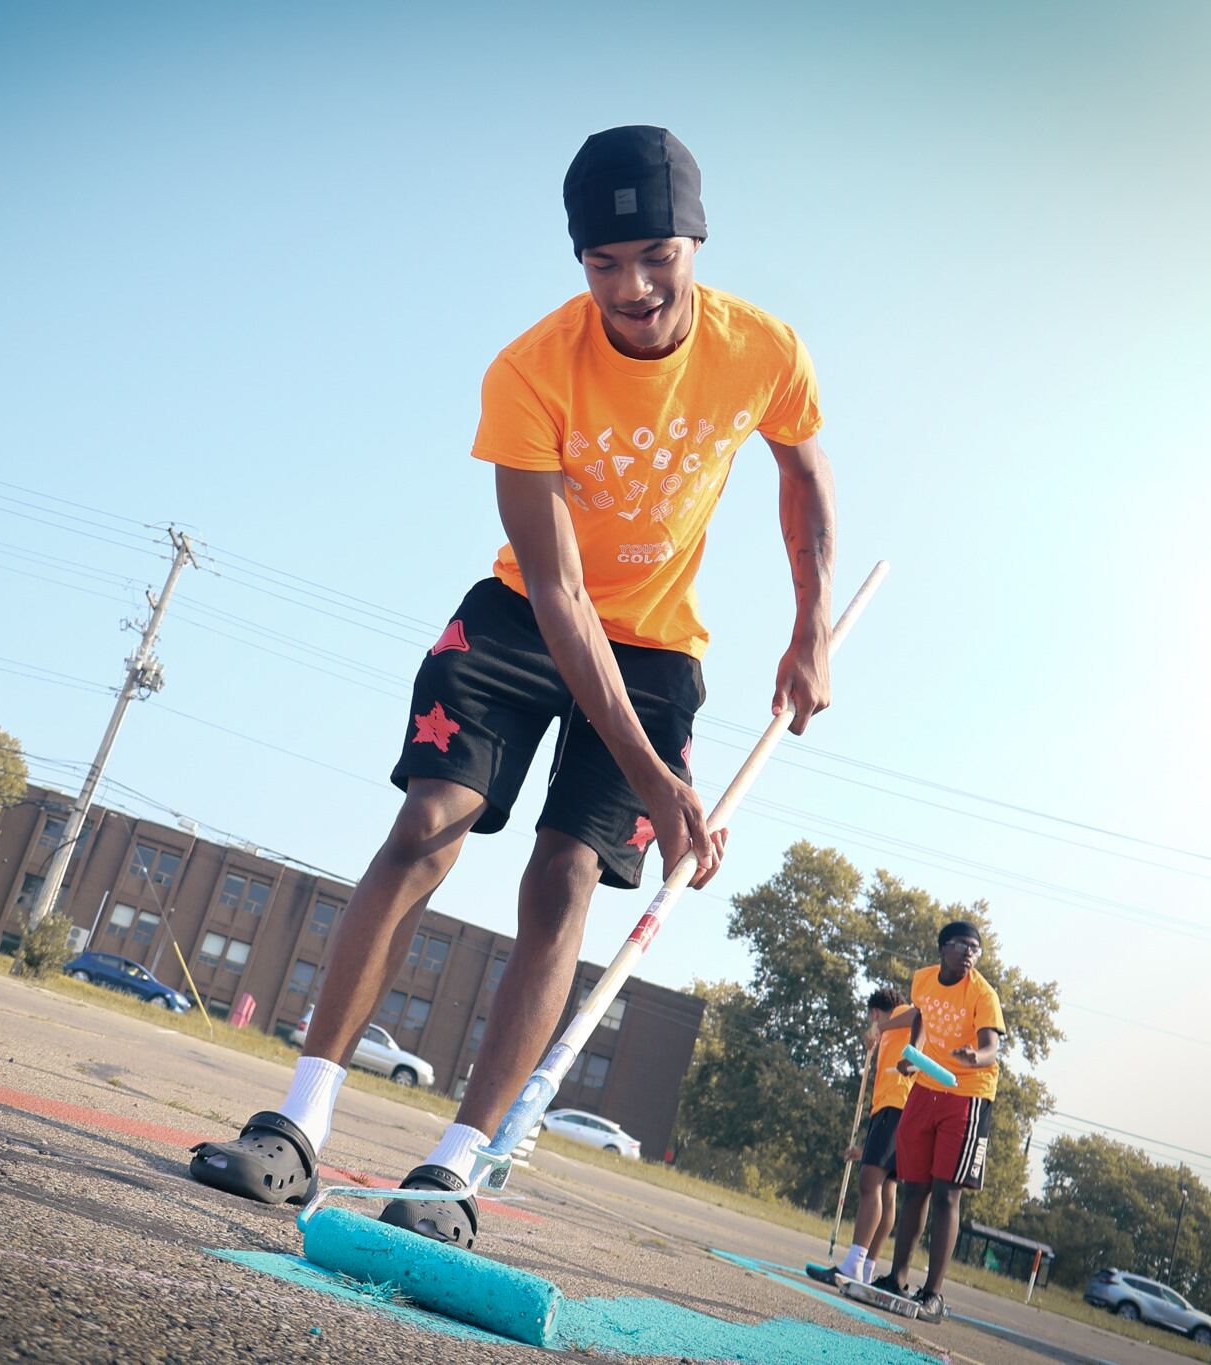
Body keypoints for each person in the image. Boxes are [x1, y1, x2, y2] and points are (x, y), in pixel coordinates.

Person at [188, 125, 836, 1250]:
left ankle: (446, 1174)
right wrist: (658, 780)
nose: (631, 288)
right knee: (429, 824)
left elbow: (802, 471)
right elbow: (557, 592)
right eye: (601, 263)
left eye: (653, 257)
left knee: (566, 876)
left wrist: (808, 628)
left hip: (659, 651)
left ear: (694, 240)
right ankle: (295, 1126)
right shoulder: (530, 371)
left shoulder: (763, 349)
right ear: (577, 260)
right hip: (530, 616)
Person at [869, 920, 1006, 1321]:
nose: (969, 954)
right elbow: (921, 1020)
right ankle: (897, 1278)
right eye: (963, 946)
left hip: (967, 1093)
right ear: (943, 948)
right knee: (916, 1187)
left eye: (975, 950)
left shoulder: (982, 993)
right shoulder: (924, 980)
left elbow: (991, 1048)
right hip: (926, 1087)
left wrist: (972, 1058)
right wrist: (913, 1055)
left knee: (947, 1193)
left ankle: (933, 1294)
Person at [808, 985, 911, 1288]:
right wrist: (864, 1149)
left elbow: (919, 1014)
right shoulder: (891, 1036)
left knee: (870, 1182)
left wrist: (879, 1027)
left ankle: (854, 1263)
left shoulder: (901, 1015)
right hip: (893, 1110)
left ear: (876, 1012)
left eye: (872, 1019)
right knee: (886, 1191)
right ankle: (866, 1268)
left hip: (895, 1106)